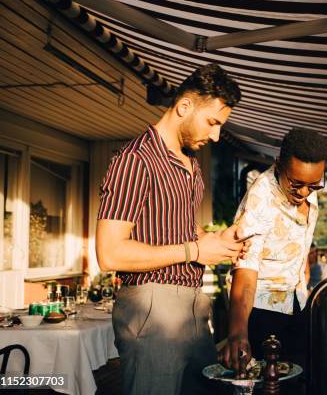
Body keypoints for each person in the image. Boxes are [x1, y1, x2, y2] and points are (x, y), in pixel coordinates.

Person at [96, 64, 247, 395]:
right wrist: (195, 250)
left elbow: (186, 237)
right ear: (184, 107)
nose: (217, 135)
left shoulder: (190, 165)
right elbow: (109, 253)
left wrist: (216, 242)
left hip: (195, 308)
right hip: (153, 309)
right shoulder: (136, 159)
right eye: (213, 122)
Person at [219, 128, 327, 374]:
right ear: (278, 164)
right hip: (261, 310)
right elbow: (245, 270)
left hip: (297, 302)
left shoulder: (306, 185)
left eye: (313, 186)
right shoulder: (261, 198)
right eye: (296, 184)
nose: (303, 192)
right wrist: (238, 333)